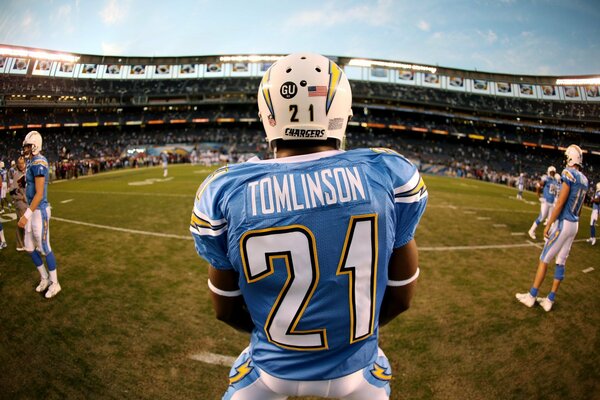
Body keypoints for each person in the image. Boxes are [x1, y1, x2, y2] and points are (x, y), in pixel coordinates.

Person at [190, 53, 428, 400]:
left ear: (268, 117)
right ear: (340, 113)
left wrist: (279, 340)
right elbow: (402, 298)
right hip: (359, 369)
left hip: (271, 369)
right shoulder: (387, 173)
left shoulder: (225, 190)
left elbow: (224, 308)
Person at [516, 145, 588, 312]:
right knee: (561, 261)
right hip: (575, 224)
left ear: (570, 158)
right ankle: (550, 299)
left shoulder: (568, 173)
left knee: (544, 258)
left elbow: (561, 202)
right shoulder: (584, 179)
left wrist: (549, 224)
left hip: (564, 223)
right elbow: (581, 208)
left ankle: (532, 296)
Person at [17, 131, 61, 298]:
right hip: (32, 209)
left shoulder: (39, 162)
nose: (25, 149)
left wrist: (26, 215)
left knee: (44, 247)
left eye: (28, 146)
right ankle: (44, 278)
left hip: (39, 210)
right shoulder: (31, 163)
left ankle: (55, 283)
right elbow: (32, 185)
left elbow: (40, 193)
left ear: (35, 146)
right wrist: (25, 181)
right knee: (29, 246)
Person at [528, 166, 558, 239]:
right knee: (542, 217)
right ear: (548, 172)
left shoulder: (555, 180)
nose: (552, 173)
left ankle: (546, 235)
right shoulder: (546, 178)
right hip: (546, 201)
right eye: (551, 172)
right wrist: (539, 196)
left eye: (553, 172)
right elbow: (538, 185)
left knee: (550, 220)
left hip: (552, 202)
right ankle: (531, 230)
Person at [10, 156, 27, 251]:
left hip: (26, 202)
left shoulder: (26, 173)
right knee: (23, 224)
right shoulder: (17, 175)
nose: (20, 165)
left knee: (21, 223)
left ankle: (20, 244)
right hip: (20, 203)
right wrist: (21, 197)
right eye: (19, 163)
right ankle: (22, 244)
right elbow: (12, 192)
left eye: (22, 162)